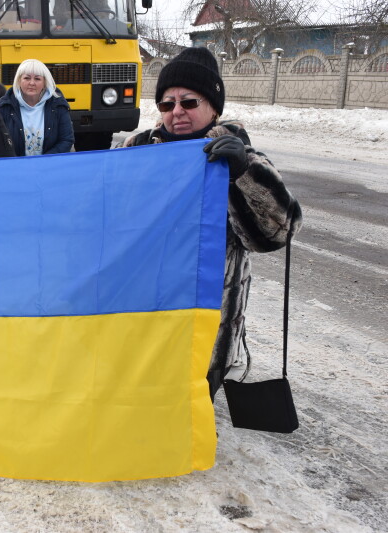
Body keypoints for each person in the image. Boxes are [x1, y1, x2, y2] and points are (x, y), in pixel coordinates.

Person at [120, 47, 303, 398]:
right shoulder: (136, 150)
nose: (177, 112)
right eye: (166, 104)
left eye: (189, 102)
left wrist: (241, 175)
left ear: (213, 108)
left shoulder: (241, 159)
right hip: (142, 313)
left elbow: (280, 230)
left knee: (190, 416)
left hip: (206, 321)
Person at [0, 58, 74, 156]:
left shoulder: (58, 105)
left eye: (37, 79)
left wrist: (43, 162)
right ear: (19, 80)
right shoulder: (4, 107)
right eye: (27, 78)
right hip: (15, 168)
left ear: (45, 83)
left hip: (48, 168)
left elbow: (66, 140)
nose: (32, 83)